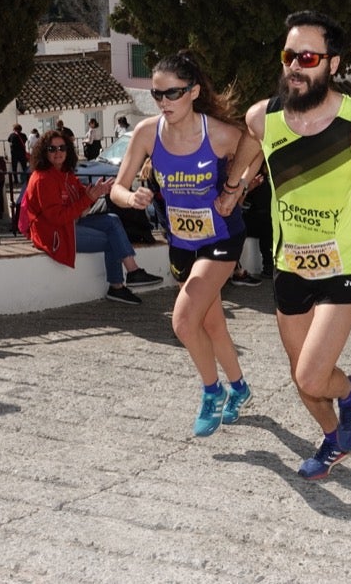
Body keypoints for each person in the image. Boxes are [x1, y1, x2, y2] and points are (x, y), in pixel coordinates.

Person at [215, 10, 351, 480]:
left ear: (333, 63)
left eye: (308, 57)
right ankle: (334, 438)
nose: (295, 67)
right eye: (289, 56)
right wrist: (234, 189)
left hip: (344, 263)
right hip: (290, 264)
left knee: (311, 376)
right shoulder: (264, 116)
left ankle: (350, 394)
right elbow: (250, 146)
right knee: (301, 375)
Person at [112, 50, 254, 437]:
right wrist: (133, 198)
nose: (163, 102)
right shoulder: (146, 132)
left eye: (172, 93)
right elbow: (117, 189)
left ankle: (212, 392)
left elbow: (254, 149)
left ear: (193, 92)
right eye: (157, 94)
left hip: (222, 238)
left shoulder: (219, 133)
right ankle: (240, 388)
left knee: (184, 321)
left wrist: (234, 188)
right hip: (181, 243)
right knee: (211, 322)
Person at [22, 129, 162, 305]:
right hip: (54, 234)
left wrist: (98, 191)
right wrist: (88, 198)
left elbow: (81, 195)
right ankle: (119, 285)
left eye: (62, 148)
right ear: (44, 151)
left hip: (71, 224)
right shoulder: (43, 179)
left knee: (112, 220)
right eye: (52, 149)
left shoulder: (64, 173)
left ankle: (131, 274)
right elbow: (57, 218)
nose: (58, 152)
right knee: (111, 238)